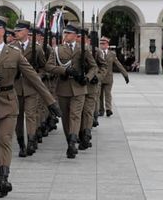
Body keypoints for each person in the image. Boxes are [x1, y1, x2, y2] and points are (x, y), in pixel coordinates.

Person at [0, 14, 60, 198]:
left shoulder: (15, 54)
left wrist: (51, 102)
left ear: (2, 31)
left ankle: (5, 176)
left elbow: (33, 77)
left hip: (8, 102)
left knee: (4, 139)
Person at [47, 24, 98, 159]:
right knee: (65, 118)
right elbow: (49, 66)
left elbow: (94, 67)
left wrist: (87, 78)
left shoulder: (83, 49)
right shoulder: (57, 49)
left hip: (79, 87)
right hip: (63, 86)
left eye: (68, 34)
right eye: (65, 33)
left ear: (75, 36)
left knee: (75, 115)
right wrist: (64, 70)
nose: (65, 36)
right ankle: (69, 140)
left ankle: (72, 142)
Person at [10, 20, 48, 157]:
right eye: (16, 30)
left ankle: (31, 140)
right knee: (17, 117)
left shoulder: (36, 48)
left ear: (27, 32)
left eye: (19, 31)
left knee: (31, 115)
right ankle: (21, 143)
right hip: (15, 87)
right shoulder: (11, 47)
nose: (16, 33)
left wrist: (37, 77)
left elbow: (43, 67)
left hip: (31, 87)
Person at [79, 32, 106, 150]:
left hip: (91, 86)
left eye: (81, 38)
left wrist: (98, 77)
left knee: (88, 111)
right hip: (78, 85)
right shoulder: (75, 50)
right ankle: (79, 133)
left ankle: (86, 133)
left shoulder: (96, 51)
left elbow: (103, 67)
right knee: (77, 112)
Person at [99, 36, 129, 117]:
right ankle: (101, 109)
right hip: (99, 78)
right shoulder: (97, 53)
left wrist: (125, 75)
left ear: (107, 45)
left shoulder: (112, 54)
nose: (102, 45)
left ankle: (108, 109)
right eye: (101, 44)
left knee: (108, 94)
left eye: (103, 44)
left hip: (108, 78)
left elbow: (118, 65)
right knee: (99, 95)